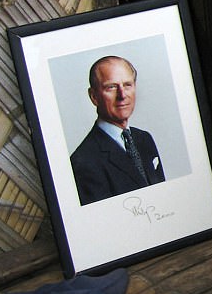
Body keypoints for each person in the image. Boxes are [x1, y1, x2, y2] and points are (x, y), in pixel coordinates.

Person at [70, 55, 165, 205]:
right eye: (112, 87)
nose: (122, 95)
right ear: (94, 96)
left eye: (128, 85)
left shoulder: (144, 138)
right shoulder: (84, 162)